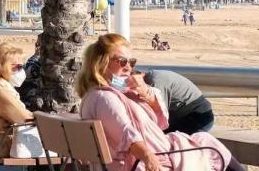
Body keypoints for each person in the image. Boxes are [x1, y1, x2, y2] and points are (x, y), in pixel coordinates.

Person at [76, 34, 242, 171]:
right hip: (147, 163)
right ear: (101, 64)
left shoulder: (102, 96)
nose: (128, 67)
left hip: (147, 157)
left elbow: (160, 121)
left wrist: (145, 94)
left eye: (131, 62)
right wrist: (149, 158)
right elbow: (127, 135)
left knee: (204, 140)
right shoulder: (105, 98)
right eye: (121, 61)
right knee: (211, 148)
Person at [141, 70, 215, 134]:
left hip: (196, 117)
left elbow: (159, 115)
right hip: (187, 113)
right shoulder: (151, 76)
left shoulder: (154, 83)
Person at [16, 41, 42, 111]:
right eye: (37, 45)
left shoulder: (42, 63)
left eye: (38, 45)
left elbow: (29, 71)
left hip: (31, 106)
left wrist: (36, 55)